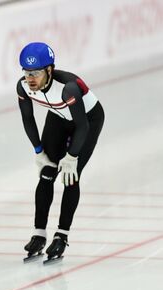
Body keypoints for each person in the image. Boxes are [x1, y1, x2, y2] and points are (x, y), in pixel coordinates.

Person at [17, 42, 104, 264]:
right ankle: (39, 233)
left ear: (49, 70)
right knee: (46, 173)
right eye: (26, 73)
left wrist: (72, 156)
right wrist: (39, 151)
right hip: (58, 116)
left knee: (70, 176)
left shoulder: (68, 87)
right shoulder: (23, 87)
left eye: (35, 73)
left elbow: (82, 126)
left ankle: (61, 235)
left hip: (87, 120)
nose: (30, 78)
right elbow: (28, 119)